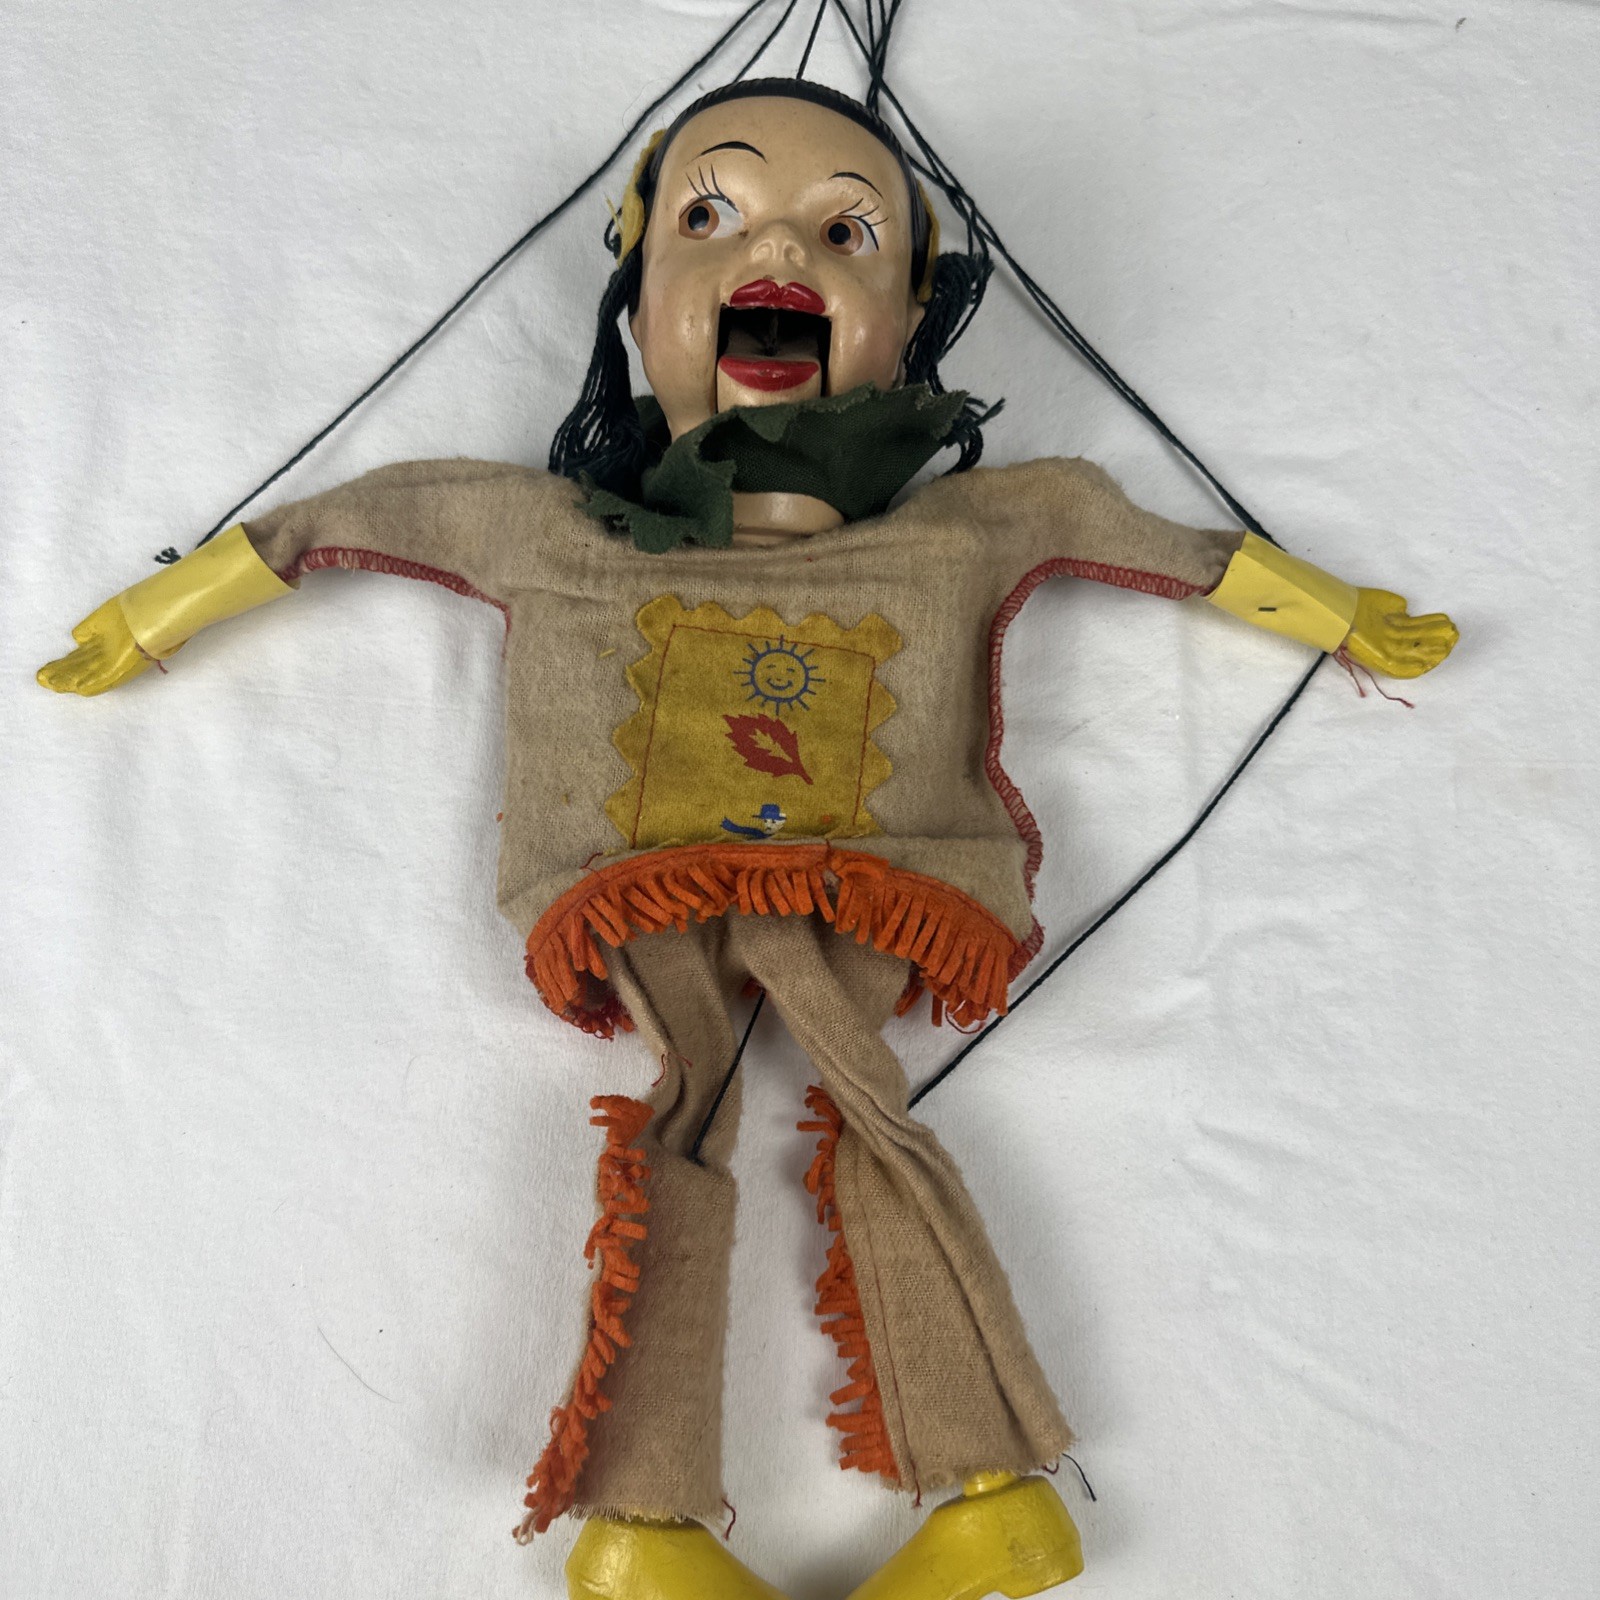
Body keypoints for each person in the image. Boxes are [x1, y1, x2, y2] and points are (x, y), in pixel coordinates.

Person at [37, 78, 1457, 1600]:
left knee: (822, 1113)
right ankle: (781, 1512)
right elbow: (351, 517)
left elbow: (1149, 539)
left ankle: (810, 1513)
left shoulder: (962, 533)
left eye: (848, 233)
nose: (776, 252)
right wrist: (161, 605)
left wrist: (1340, 613)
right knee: (733, 1114)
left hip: (873, 874)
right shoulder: (558, 535)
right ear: (637, 282)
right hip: (647, 881)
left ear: (913, 314)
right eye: (711, 214)